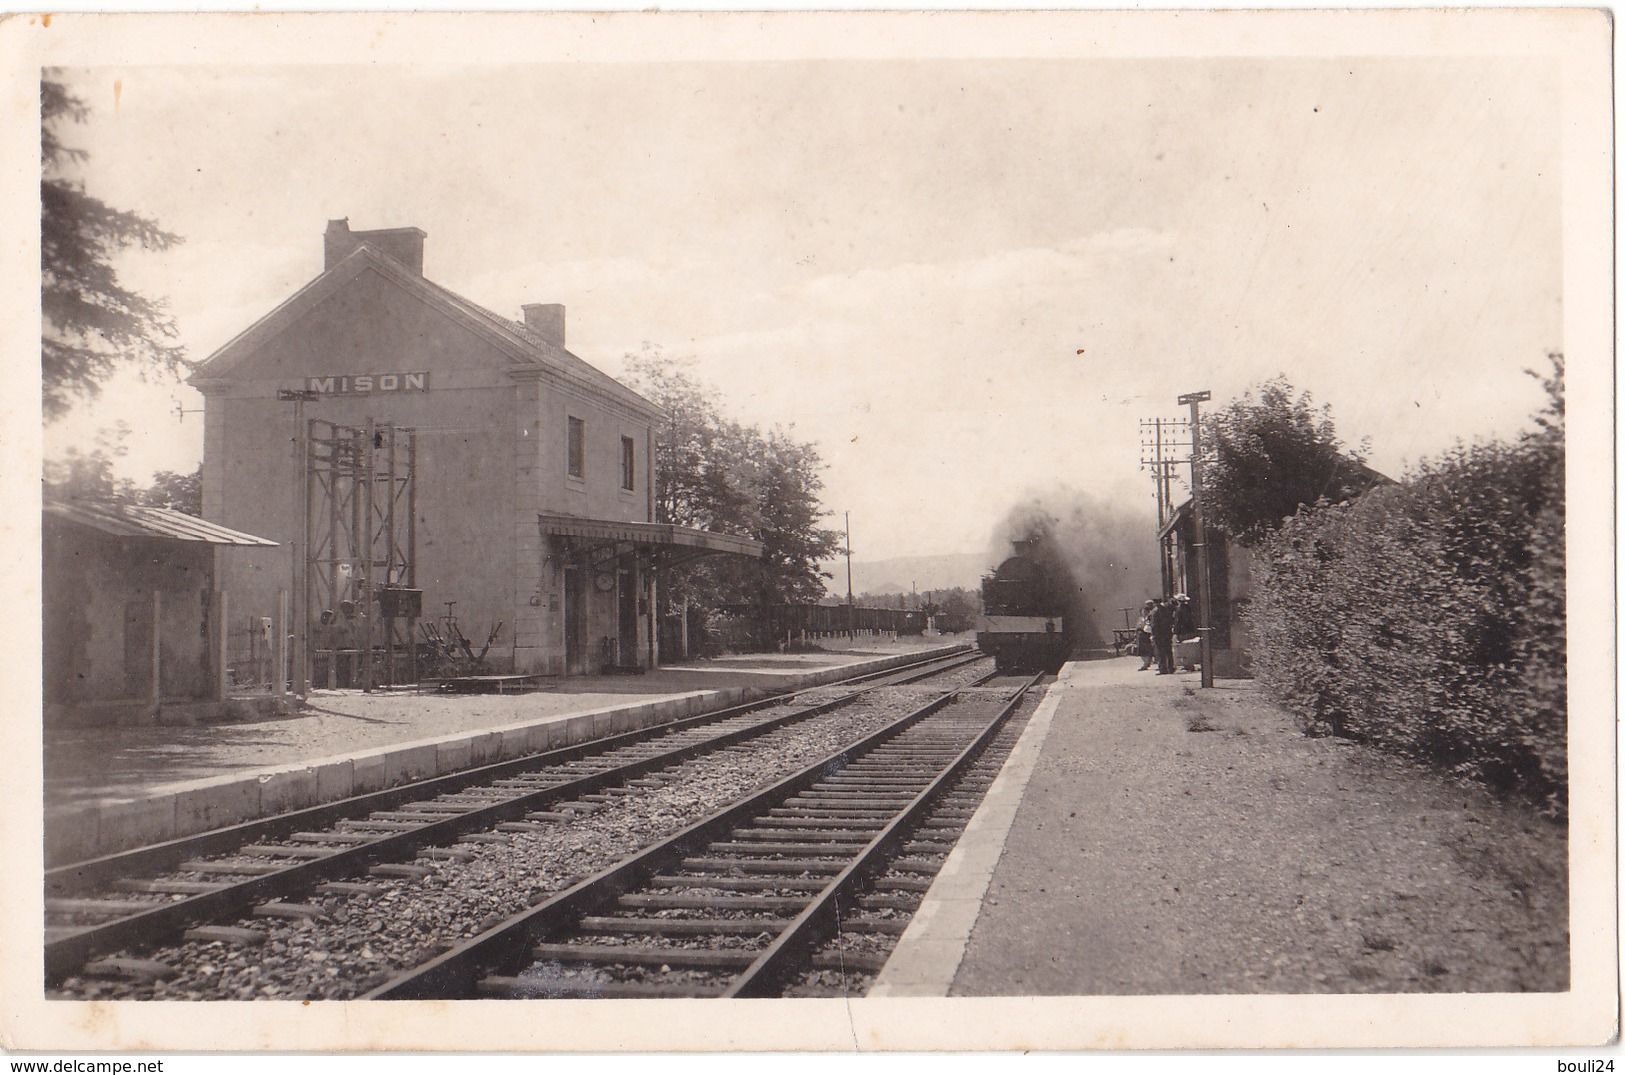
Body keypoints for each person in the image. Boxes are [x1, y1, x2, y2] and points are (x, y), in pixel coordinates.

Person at [1150, 596, 1176, 675]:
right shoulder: (1166, 610)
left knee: (1160, 652)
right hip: (1167, 633)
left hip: (1159, 634)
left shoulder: (1155, 611)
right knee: (1168, 651)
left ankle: (1163, 669)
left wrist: (1153, 634)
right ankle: (1170, 668)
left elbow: (1154, 625)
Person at [1135, 599, 1157, 670]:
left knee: (1147, 650)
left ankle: (1146, 663)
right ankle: (1147, 663)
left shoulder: (1151, 616)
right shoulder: (1142, 618)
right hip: (1141, 635)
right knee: (1142, 651)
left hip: (1145, 634)